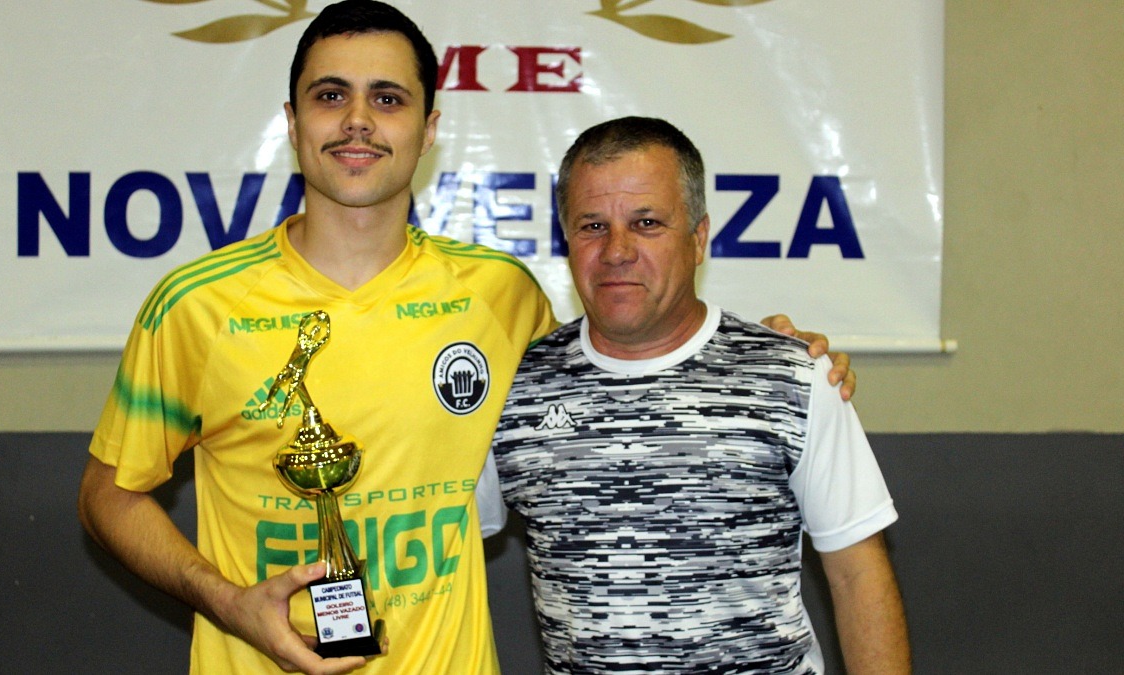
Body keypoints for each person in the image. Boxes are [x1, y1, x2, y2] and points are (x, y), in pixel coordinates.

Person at [78, 2, 853, 674]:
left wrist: (773, 351)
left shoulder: (499, 295)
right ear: (292, 123)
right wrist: (228, 601)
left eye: (387, 98)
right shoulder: (195, 305)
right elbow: (108, 494)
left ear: (429, 128)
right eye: (329, 96)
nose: (357, 121)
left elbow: (616, 368)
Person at [490, 117, 911, 674]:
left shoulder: (794, 375)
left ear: (699, 237)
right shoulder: (514, 389)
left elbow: (859, 574)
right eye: (593, 225)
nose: (616, 250)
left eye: (646, 223)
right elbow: (441, 549)